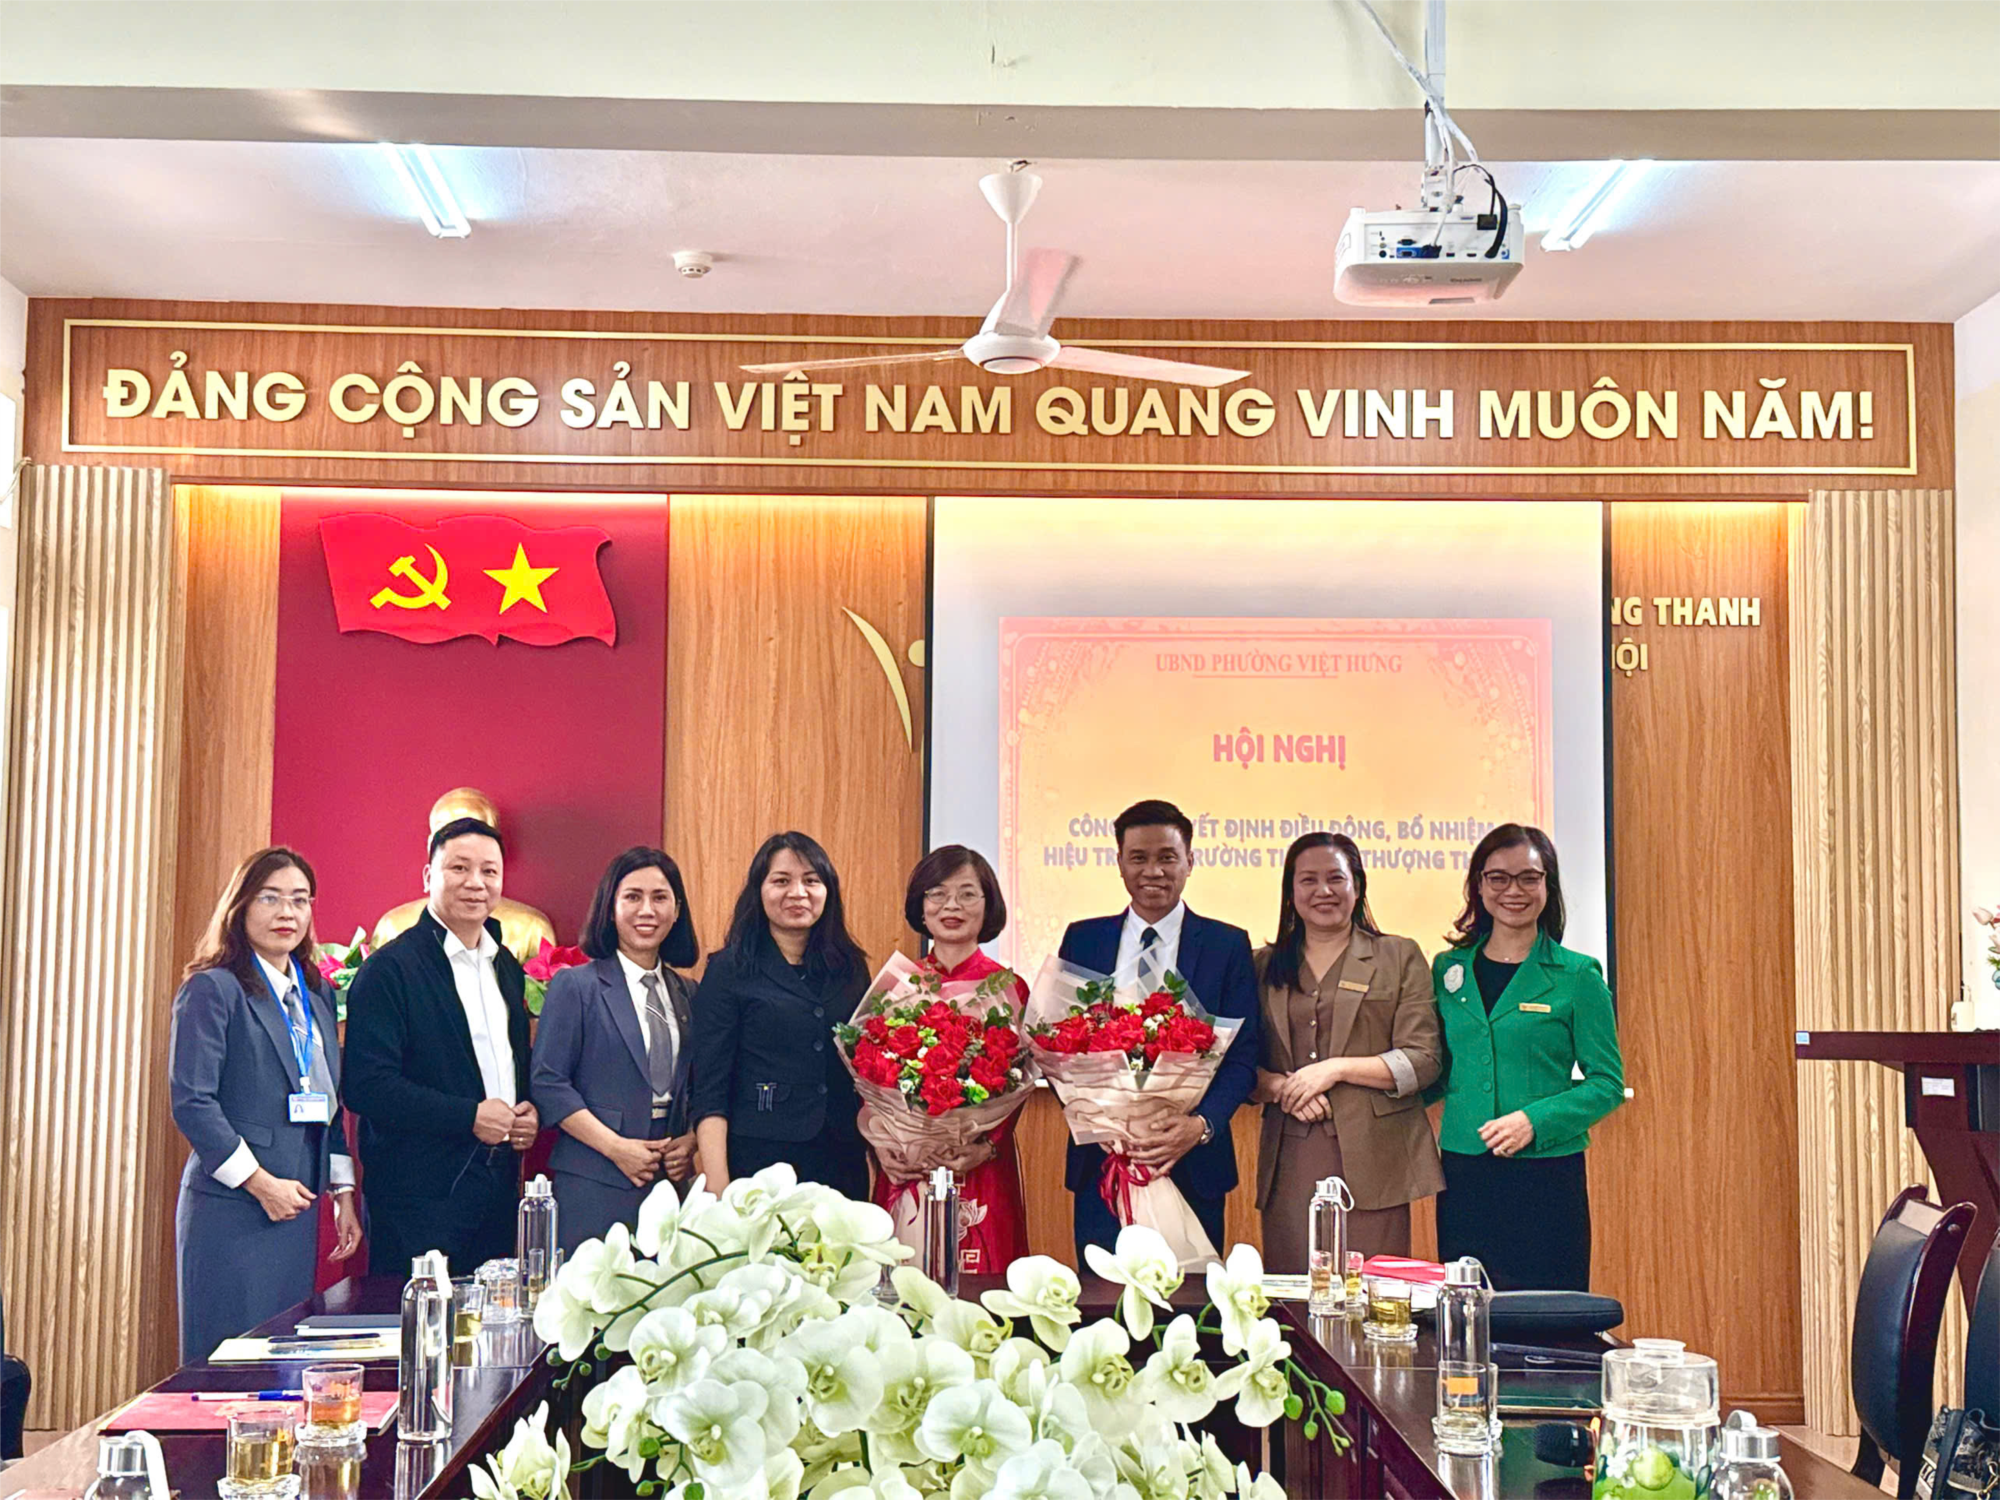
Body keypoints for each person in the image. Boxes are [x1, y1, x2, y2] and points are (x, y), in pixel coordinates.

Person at [169, 847, 362, 1362]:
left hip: (295, 1212)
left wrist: (342, 1191)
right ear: (240, 907)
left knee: (277, 1366)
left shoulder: (316, 996)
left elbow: (326, 1100)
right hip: (233, 1210)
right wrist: (260, 1183)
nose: (287, 913)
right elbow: (193, 1102)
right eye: (270, 898)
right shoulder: (213, 989)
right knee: (227, 1369)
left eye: (300, 900)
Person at [1056, 798, 1260, 1261]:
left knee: (1190, 1300)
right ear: (1119, 863)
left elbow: (1244, 1056)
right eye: (1139, 858)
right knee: (1102, 1298)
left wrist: (1200, 1126)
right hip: (1103, 1163)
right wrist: (1100, 1121)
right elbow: (1058, 1045)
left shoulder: (1227, 945)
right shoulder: (1084, 939)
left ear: (1190, 861)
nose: (1153, 871)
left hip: (1191, 1162)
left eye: (1167, 857)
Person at [1430, 823, 1624, 1291]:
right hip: (1464, 1170)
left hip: (1546, 1175)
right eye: (1498, 878)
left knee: (1548, 1312)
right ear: (1479, 886)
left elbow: (1607, 1084)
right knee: (1466, 1310)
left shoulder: (1578, 975)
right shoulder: (1448, 969)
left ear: (1547, 886)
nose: (1513, 891)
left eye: (1528, 878)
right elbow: (1434, 1066)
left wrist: (1533, 1121)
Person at [344, 817, 537, 1274]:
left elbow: (506, 1061)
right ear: (428, 876)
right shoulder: (389, 970)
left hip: (496, 1186)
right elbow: (366, 1087)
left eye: (489, 871)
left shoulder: (505, 966)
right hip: (418, 1198)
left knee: (492, 1314)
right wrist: (469, 1116)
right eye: (459, 868)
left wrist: (527, 1110)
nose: (476, 883)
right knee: (419, 1317)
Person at [1251, 833, 1443, 1269]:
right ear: (1290, 891)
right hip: (1290, 1157)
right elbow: (1237, 1064)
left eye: (1336, 878)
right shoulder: (1262, 964)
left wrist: (1334, 1069)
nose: (1323, 891)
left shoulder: (1398, 955)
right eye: (1308, 880)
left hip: (1377, 1159)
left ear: (1357, 885)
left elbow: (1423, 1060)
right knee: (1294, 1290)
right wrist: (1282, 1087)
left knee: (1373, 1292)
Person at [866, 845, 1029, 1275]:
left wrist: (986, 1147)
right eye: (936, 893)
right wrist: (882, 1145)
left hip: (979, 1165)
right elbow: (868, 1075)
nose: (951, 905)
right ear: (920, 907)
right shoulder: (896, 986)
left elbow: (1022, 1080)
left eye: (967, 893)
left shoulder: (1010, 988)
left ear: (988, 904)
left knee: (983, 1295)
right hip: (906, 1166)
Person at [530, 847, 699, 1254]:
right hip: (595, 1181)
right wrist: (615, 1148)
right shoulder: (576, 987)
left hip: (668, 1183)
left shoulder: (690, 993)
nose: (647, 910)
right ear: (610, 907)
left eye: (660, 898)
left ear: (677, 910)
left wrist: (691, 1141)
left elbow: (703, 1084)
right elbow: (548, 1083)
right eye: (633, 897)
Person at [691, 832, 871, 1199]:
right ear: (759, 890)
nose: (798, 893)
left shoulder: (850, 968)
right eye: (781, 881)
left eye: (811, 881)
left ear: (828, 891)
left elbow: (865, 1072)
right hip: (758, 1162)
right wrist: (718, 1187)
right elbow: (710, 1088)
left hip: (840, 1160)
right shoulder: (729, 970)